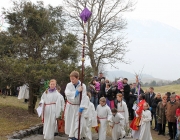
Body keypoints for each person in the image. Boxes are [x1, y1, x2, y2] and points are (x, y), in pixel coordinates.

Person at [64, 71, 88, 140]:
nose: (72, 81)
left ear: (78, 78)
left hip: (78, 106)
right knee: (70, 122)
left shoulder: (82, 86)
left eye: (73, 79)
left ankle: (76, 137)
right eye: (71, 79)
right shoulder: (69, 85)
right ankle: (71, 136)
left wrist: (81, 108)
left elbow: (84, 97)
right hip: (70, 106)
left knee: (77, 123)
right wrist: (77, 91)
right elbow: (67, 93)